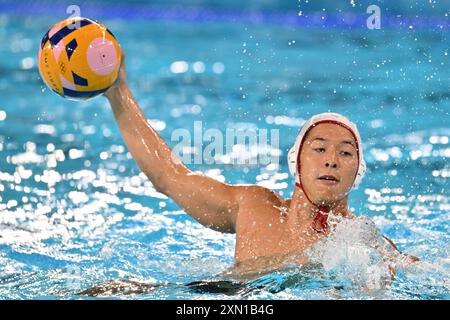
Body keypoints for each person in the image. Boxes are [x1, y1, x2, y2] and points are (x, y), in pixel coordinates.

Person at [103, 51, 418, 278]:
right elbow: (168, 176)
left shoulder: (360, 238)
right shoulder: (252, 207)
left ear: (358, 172)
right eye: (319, 148)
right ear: (296, 161)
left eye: (346, 153)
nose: (332, 160)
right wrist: (117, 91)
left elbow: (413, 275)